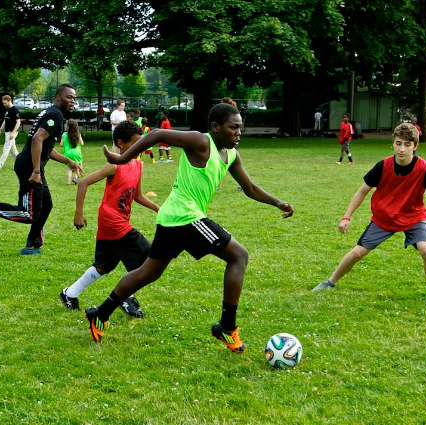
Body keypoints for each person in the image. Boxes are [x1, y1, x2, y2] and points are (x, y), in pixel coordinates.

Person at [82, 103, 294, 352]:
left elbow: (250, 188)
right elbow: (158, 134)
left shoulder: (232, 155)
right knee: (239, 256)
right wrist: (122, 158)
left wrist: (277, 202)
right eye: (233, 127)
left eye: (240, 127)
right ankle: (226, 328)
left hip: (172, 218)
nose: (238, 132)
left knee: (149, 272)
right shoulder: (200, 142)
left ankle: (101, 313)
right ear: (215, 127)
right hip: (184, 216)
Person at [312, 123, 426, 304]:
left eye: (407, 145)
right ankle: (330, 282)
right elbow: (362, 191)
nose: (402, 149)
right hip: (384, 217)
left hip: (414, 217)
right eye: (398, 143)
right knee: (357, 253)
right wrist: (346, 217)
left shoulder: (425, 169)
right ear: (393, 144)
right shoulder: (383, 166)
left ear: (415, 146)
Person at [60, 121, 159, 317]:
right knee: (148, 256)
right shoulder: (114, 165)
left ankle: (69, 293)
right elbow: (84, 183)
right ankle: (125, 297)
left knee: (104, 266)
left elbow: (137, 196)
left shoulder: (138, 164)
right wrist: (78, 213)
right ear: (121, 143)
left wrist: (158, 208)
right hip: (113, 222)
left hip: (117, 223)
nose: (140, 148)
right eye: (135, 143)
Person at [0, 84, 83, 255]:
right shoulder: (56, 115)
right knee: (28, 214)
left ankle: (33, 244)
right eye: (69, 97)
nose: (73, 101)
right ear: (58, 97)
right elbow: (38, 139)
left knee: (46, 205)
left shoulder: (51, 113)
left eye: (74, 98)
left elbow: (45, 147)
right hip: (30, 167)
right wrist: (36, 172)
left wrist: (68, 161)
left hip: (29, 165)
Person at [0, 94, 21, 169]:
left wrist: (13, 132)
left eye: (5, 103)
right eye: (3, 103)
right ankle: (22, 163)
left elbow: (18, 122)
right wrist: (0, 130)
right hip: (7, 132)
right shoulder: (8, 110)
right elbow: (5, 120)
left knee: (6, 149)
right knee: (13, 151)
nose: (4, 104)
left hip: (11, 133)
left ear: (9, 101)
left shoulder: (15, 110)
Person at [60, 119, 84, 185]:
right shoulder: (78, 134)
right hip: (77, 153)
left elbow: (61, 145)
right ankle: (75, 177)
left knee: (70, 169)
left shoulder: (64, 134)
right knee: (78, 165)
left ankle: (68, 183)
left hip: (68, 154)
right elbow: (82, 143)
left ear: (67, 126)